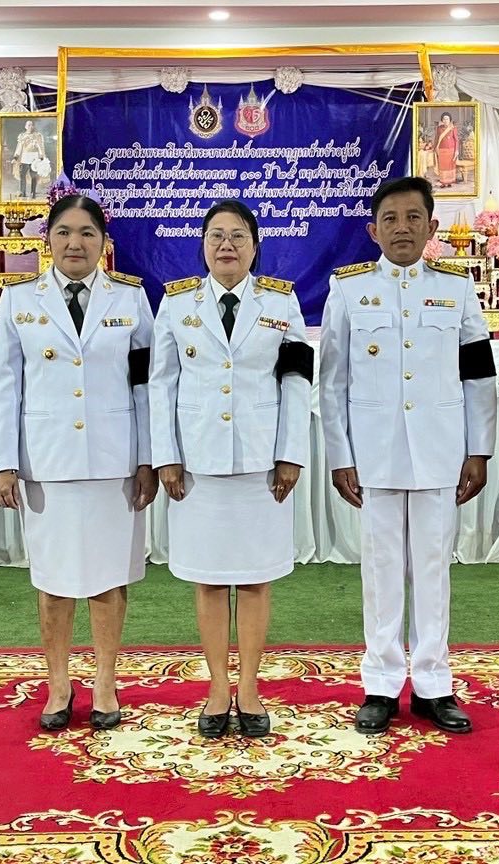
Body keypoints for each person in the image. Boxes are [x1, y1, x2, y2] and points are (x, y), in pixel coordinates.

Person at [320, 175, 497, 736]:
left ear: (432, 227)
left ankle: (433, 685)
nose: (402, 228)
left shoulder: (458, 291)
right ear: (373, 230)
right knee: (380, 567)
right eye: (390, 219)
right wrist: (339, 456)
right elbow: (331, 383)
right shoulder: (347, 291)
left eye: (413, 217)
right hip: (374, 453)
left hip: (440, 451)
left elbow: (478, 377)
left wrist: (479, 448)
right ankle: (379, 683)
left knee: (432, 568)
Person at [0, 194, 157, 732]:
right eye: (64, 232)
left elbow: (145, 386)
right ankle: (59, 684)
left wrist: (149, 458)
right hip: (47, 461)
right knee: (54, 583)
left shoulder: (130, 299)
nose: (75, 243)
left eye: (87, 233)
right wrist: (2, 463)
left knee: (109, 580)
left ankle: (105, 682)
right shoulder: (18, 302)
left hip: (114, 461)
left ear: (103, 243)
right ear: (48, 241)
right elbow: (4, 388)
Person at [151, 199, 312, 739]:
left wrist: (291, 452)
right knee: (209, 580)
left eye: (238, 236)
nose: (226, 245)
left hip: (261, 464)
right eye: (216, 235)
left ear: (255, 245)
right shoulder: (176, 305)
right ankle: (218, 688)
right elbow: (160, 387)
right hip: (197, 464)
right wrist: (167, 456)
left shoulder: (282, 303)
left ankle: (250, 688)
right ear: (201, 244)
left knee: (256, 578)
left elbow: (295, 382)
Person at [13, 120, 49, 200]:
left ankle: (33, 193)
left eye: (31, 125)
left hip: (34, 159)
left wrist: (42, 157)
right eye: (28, 125)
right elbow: (19, 148)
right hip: (25, 158)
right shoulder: (22, 136)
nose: (30, 127)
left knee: (34, 176)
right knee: (22, 175)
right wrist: (15, 157)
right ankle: (23, 192)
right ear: (25, 126)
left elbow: (40, 147)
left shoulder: (37, 136)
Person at [433, 113, 460, 188]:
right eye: (444, 119)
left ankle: (449, 182)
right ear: (442, 120)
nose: (445, 120)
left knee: (450, 166)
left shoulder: (453, 128)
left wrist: (456, 150)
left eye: (447, 119)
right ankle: (443, 182)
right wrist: (434, 147)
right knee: (442, 167)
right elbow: (436, 138)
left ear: (450, 120)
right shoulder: (439, 128)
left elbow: (456, 140)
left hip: (451, 150)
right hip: (441, 150)